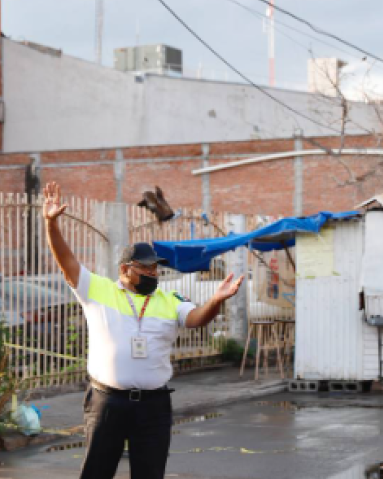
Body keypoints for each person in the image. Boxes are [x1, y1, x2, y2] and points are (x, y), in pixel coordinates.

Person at [42, 182, 244, 479]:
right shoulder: (97, 290)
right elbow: (66, 261)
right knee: (97, 473)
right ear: (125, 269)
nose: (152, 274)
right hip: (106, 402)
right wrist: (51, 224)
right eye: (145, 269)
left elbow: (198, 318)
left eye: (154, 269)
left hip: (153, 406)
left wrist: (215, 300)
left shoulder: (169, 299)